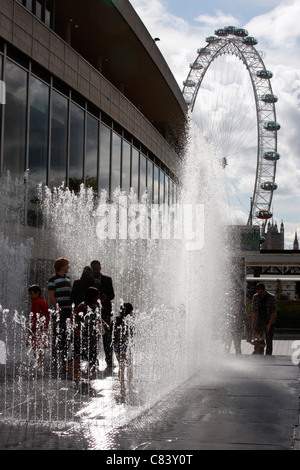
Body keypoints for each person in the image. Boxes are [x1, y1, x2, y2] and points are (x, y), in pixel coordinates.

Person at [68, 287, 108, 381]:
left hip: (89, 334)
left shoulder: (95, 306)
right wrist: (76, 330)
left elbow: (97, 317)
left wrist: (104, 324)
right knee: (78, 354)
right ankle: (74, 373)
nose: (97, 299)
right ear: (91, 297)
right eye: (96, 297)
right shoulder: (82, 305)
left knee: (85, 354)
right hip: (80, 333)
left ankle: (72, 369)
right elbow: (72, 317)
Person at [48, 257, 72, 377]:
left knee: (67, 336)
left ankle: (64, 360)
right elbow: (51, 296)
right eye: (67, 265)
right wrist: (57, 309)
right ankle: (55, 360)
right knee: (57, 336)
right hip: (59, 312)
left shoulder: (68, 279)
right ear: (61, 266)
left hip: (68, 311)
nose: (68, 267)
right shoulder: (52, 280)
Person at [90, 260, 115, 374]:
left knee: (107, 337)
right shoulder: (88, 280)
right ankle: (93, 361)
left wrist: (106, 297)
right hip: (93, 311)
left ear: (100, 268)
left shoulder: (107, 279)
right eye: (93, 269)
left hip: (105, 311)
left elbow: (112, 295)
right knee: (93, 337)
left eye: (97, 268)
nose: (95, 271)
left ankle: (109, 359)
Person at [27, 285, 50, 370]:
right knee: (39, 347)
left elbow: (36, 317)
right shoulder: (43, 301)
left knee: (36, 347)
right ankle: (41, 364)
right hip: (42, 328)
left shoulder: (37, 302)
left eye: (31, 294)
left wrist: (32, 327)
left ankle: (39, 364)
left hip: (37, 329)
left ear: (37, 293)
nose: (30, 296)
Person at [113, 303, 134, 392]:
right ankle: (126, 385)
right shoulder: (128, 320)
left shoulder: (116, 319)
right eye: (131, 311)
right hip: (124, 345)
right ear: (129, 311)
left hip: (116, 345)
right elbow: (131, 333)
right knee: (127, 365)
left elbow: (112, 333)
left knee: (121, 366)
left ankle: (123, 385)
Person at [251, 282, 276, 355]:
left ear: (264, 289)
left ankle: (268, 356)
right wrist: (252, 323)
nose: (260, 293)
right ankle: (258, 353)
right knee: (258, 339)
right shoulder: (255, 297)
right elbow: (254, 311)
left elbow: (272, 312)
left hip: (268, 320)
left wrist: (269, 324)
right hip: (259, 321)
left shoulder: (271, 297)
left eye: (261, 292)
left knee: (269, 340)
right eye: (258, 292)